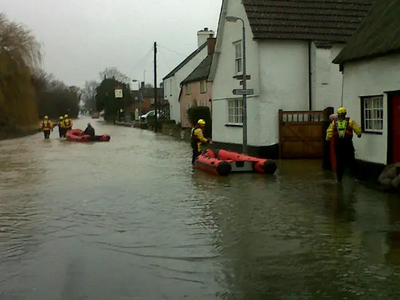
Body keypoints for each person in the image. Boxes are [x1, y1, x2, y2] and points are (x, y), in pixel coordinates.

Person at [326, 107, 362, 182]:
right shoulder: (350, 121)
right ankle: (355, 177)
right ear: (345, 113)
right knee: (351, 160)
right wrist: (359, 134)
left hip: (338, 144)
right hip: (348, 143)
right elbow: (357, 128)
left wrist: (327, 138)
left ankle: (339, 179)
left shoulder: (334, 122)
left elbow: (329, 131)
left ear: (338, 114)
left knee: (339, 161)